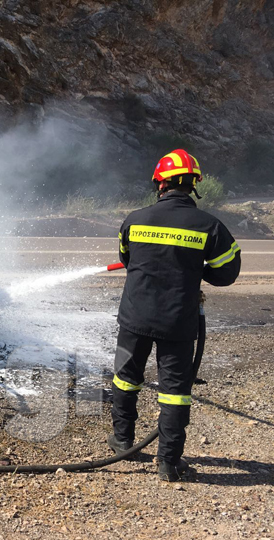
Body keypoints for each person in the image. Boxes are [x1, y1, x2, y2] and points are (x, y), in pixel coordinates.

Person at [109, 149, 241, 481]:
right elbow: (227, 272)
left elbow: (127, 258)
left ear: (160, 184)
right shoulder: (209, 226)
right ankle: (168, 462)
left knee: (126, 378)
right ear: (194, 184)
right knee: (175, 391)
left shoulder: (134, 219)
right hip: (178, 322)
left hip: (134, 318)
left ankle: (123, 440)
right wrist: (197, 269)